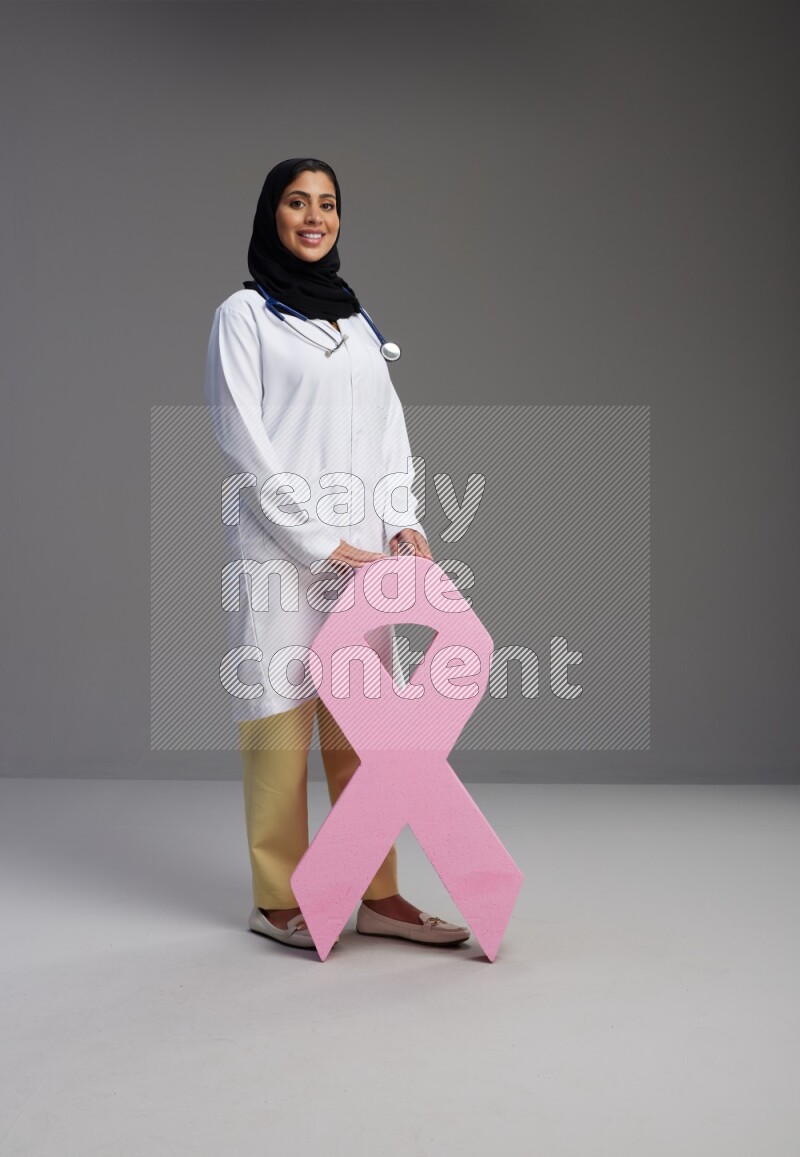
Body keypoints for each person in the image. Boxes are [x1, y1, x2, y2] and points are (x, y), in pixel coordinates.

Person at [204, 157, 470, 951]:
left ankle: (377, 893)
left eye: (327, 204)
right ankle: (278, 896)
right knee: (278, 720)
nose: (314, 216)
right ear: (271, 215)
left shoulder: (355, 321)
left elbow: (389, 433)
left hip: (365, 565)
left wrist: (401, 521)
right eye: (297, 202)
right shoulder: (243, 316)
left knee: (366, 727)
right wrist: (324, 542)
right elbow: (243, 441)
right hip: (284, 554)